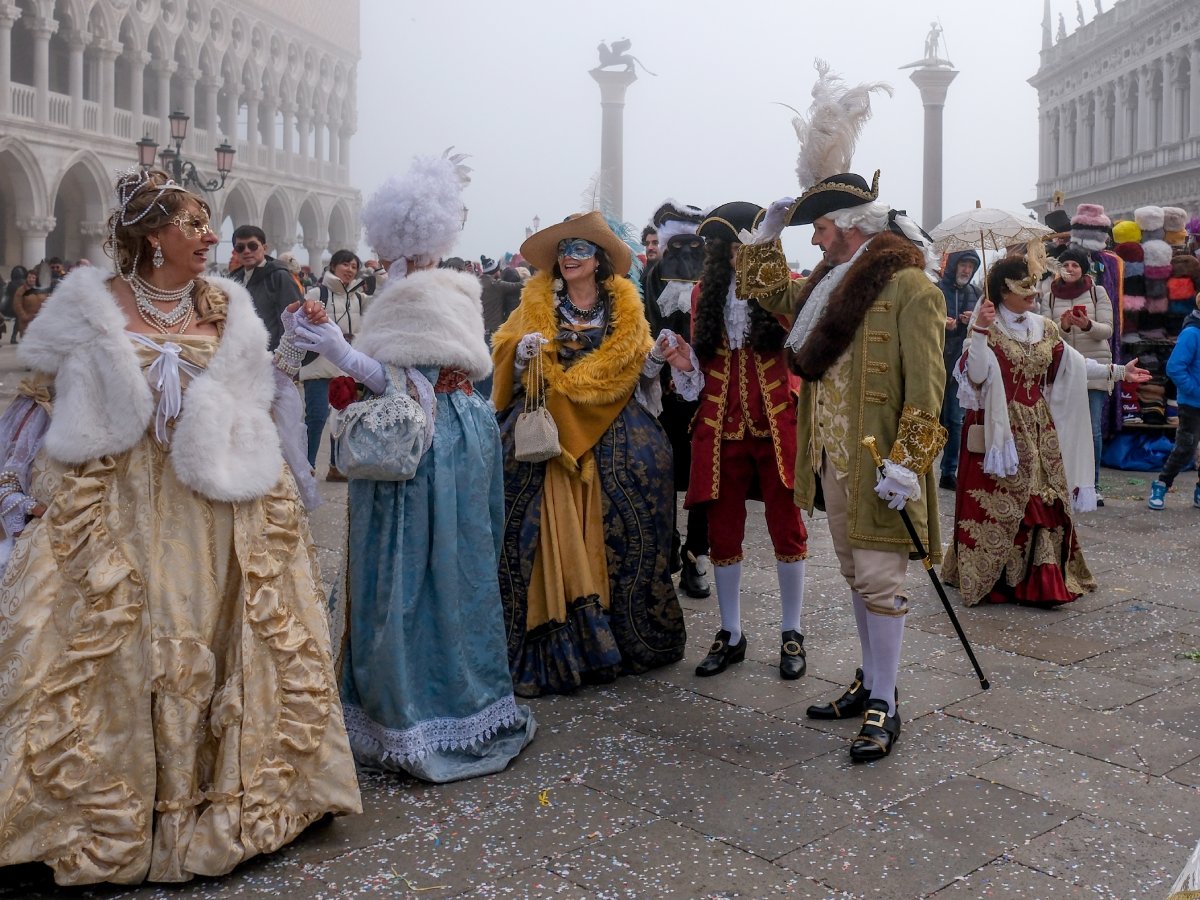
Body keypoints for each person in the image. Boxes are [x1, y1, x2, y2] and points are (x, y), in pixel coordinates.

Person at [0, 168, 360, 885]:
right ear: (150, 235)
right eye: (191, 224)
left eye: (208, 224)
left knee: (223, 638)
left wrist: (300, 349)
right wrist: (17, 489)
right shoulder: (89, 305)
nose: (207, 237)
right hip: (114, 503)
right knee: (106, 645)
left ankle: (235, 798)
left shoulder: (225, 306)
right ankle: (91, 808)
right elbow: (35, 404)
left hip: (214, 506)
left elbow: (264, 394)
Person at [288, 151, 536, 781]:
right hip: (454, 437)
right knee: (453, 563)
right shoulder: (445, 286)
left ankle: (417, 709)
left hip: (426, 446)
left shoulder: (419, 292)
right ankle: (446, 701)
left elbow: (402, 380)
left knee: (413, 566)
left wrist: (340, 349)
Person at [737, 171, 947, 762]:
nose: (816, 241)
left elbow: (928, 390)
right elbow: (766, 293)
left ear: (853, 230)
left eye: (821, 228)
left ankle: (885, 700)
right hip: (831, 456)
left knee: (881, 580)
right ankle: (870, 679)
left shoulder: (912, 288)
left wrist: (908, 464)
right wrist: (765, 234)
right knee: (857, 576)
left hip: (882, 464)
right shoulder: (828, 285)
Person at [491, 211, 687, 697]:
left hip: (612, 420)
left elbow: (636, 364)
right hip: (547, 426)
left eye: (580, 249)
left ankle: (623, 630)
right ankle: (556, 638)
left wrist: (659, 356)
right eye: (563, 250)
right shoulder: (534, 304)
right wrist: (522, 353)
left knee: (646, 475)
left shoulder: (624, 310)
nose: (569, 257)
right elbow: (503, 353)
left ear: (599, 261)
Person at [943, 254, 1148, 607]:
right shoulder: (986, 327)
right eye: (1024, 288)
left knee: (1044, 500)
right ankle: (998, 577)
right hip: (999, 432)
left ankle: (1042, 579)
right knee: (1005, 504)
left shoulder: (1043, 326)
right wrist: (977, 331)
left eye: (1034, 287)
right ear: (1003, 291)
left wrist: (1117, 372)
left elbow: (1074, 364)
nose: (1034, 295)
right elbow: (975, 375)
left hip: (1039, 427)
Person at [680, 202, 810, 680]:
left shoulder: (781, 289)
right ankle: (731, 632)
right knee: (722, 530)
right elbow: (700, 364)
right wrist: (679, 360)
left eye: (746, 247)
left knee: (786, 523)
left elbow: (801, 342)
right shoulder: (702, 294)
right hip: (718, 422)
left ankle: (791, 630)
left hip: (776, 418)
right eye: (730, 247)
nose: (737, 256)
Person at [642, 199, 712, 597]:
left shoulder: (712, 276)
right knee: (664, 472)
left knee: (704, 471)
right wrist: (665, 369)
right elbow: (652, 323)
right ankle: (666, 547)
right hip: (663, 392)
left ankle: (696, 555)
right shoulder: (654, 275)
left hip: (704, 391)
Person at [1036, 245, 1115, 504]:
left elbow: (1107, 331)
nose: (1069, 269)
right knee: (1061, 426)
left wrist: (1087, 325)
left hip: (1094, 366)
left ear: (1083, 269)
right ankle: (1064, 480)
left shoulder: (1097, 292)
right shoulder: (1048, 296)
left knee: (1092, 429)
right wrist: (1065, 325)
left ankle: (1092, 484)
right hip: (1062, 369)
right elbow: (1046, 333)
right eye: (1065, 265)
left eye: (1075, 265)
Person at [299, 249, 371, 479]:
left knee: (343, 418)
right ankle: (305, 467)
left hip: (347, 365)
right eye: (345, 265)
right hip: (320, 363)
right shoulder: (317, 292)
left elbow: (385, 300)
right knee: (317, 417)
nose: (350, 270)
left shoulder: (359, 298)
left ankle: (336, 466)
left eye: (354, 266)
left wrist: (379, 273)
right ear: (334, 266)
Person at [1147, 291, 1200, 510]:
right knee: (1185, 447)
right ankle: (1162, 483)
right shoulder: (1192, 332)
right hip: (1192, 403)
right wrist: (1194, 390)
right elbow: (1174, 367)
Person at [937, 250, 981, 491]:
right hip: (934, 362)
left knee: (955, 420)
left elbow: (984, 328)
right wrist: (940, 322)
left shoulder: (975, 293)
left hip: (958, 366)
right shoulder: (935, 290)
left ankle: (948, 470)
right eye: (962, 265)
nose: (966, 270)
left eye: (970, 266)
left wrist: (970, 323)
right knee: (931, 417)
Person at [228, 225, 303, 349]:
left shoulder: (279, 276)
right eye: (240, 247)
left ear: (264, 248)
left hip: (271, 357)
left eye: (252, 246)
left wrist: (281, 355)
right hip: (241, 356)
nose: (246, 251)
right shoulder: (233, 280)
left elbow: (293, 321)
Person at [12, 267, 48, 340]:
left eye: (33, 277)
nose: (31, 279)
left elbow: (47, 302)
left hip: (40, 321)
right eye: (29, 277)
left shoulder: (42, 290)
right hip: (27, 322)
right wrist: (24, 316)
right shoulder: (21, 290)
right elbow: (17, 305)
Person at [3, 265, 25, 343]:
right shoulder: (24, 284)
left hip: (10, 306)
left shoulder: (10, 284)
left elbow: (6, 295)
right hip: (20, 306)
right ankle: (14, 337)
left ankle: (14, 337)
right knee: (18, 321)